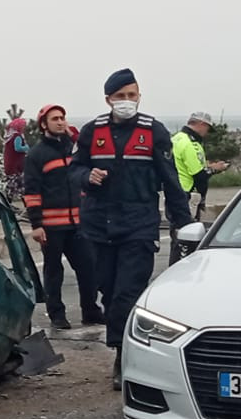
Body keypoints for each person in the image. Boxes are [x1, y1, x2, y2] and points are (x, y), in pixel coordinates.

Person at [76, 69, 192, 378]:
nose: (126, 101)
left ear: (139, 97)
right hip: (99, 226)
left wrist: (184, 223)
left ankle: (123, 355)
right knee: (108, 290)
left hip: (138, 226)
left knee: (128, 292)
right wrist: (86, 176)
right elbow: (73, 169)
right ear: (108, 100)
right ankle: (122, 345)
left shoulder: (154, 131)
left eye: (132, 95)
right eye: (120, 96)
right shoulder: (92, 131)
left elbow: (171, 181)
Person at [22, 104, 103, 329]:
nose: (60, 122)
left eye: (62, 118)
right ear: (43, 124)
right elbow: (31, 191)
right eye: (55, 119)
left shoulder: (74, 150)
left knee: (89, 268)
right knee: (53, 272)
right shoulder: (36, 155)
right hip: (51, 226)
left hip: (79, 223)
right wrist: (36, 225)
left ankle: (91, 311)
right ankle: (57, 315)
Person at [171, 111, 228, 208]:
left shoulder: (176, 138)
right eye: (208, 129)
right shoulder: (190, 144)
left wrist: (208, 166)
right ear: (202, 124)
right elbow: (199, 175)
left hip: (173, 189)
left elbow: (183, 164)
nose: (207, 133)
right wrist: (215, 169)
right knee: (186, 218)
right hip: (187, 193)